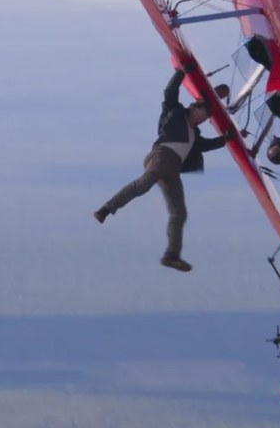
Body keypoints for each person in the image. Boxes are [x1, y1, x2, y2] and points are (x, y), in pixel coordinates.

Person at [93, 61, 233, 272]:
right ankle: (106, 209)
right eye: (199, 109)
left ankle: (172, 255)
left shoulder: (195, 136)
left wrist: (226, 139)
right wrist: (181, 72)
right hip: (162, 155)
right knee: (143, 184)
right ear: (193, 108)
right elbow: (170, 92)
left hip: (173, 168)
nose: (201, 114)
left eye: (204, 114)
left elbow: (206, 146)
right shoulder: (175, 113)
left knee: (179, 212)